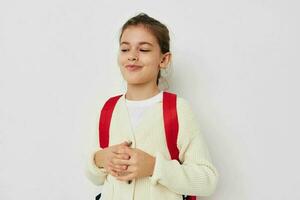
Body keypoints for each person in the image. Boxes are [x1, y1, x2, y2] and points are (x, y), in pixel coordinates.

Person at [85, 12, 219, 200]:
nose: (132, 56)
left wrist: (155, 167)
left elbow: (207, 181)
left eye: (144, 50)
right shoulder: (109, 109)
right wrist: (100, 159)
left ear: (163, 60)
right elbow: (95, 177)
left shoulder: (177, 109)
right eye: (125, 49)